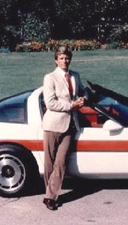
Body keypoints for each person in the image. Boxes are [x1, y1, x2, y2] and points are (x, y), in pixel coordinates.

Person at [42, 46, 85, 210]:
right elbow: (50, 103)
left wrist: (83, 98)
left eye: (67, 58)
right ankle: (49, 194)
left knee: (61, 162)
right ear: (56, 60)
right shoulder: (50, 78)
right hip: (53, 124)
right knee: (49, 162)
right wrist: (72, 105)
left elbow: (82, 91)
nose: (64, 61)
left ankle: (50, 197)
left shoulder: (75, 76)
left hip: (70, 125)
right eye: (61, 58)